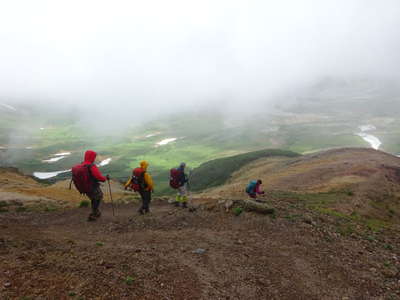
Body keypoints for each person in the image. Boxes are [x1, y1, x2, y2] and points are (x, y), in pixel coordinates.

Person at [82, 150, 109, 221]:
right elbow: (99, 177)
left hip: (85, 187)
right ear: (92, 157)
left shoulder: (82, 164)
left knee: (94, 198)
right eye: (94, 157)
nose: (94, 158)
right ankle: (94, 214)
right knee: (98, 196)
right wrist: (105, 178)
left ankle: (95, 213)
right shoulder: (91, 166)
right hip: (92, 186)